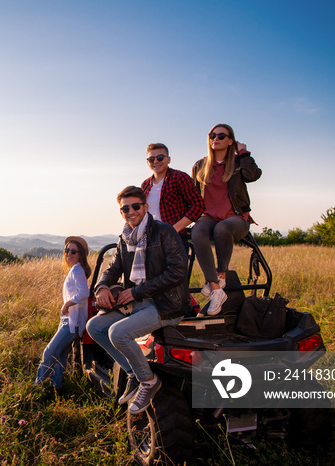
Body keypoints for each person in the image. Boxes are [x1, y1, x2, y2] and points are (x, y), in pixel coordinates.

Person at [86, 186, 189, 415]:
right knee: (94, 326)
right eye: (125, 208)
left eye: (135, 206)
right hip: (138, 303)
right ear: (120, 212)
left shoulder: (163, 232)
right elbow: (114, 268)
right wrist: (102, 286)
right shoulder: (125, 238)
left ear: (145, 206)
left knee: (117, 333)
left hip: (165, 305)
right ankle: (132, 371)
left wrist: (136, 292)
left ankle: (149, 381)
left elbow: (177, 272)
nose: (131, 211)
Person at [191, 123, 262, 316]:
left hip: (236, 217)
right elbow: (193, 196)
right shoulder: (200, 165)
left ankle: (221, 273)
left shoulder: (239, 163)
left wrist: (244, 153)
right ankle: (215, 286)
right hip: (208, 216)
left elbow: (253, 175)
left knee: (222, 229)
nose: (215, 138)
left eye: (221, 136)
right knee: (197, 231)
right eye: (212, 135)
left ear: (231, 141)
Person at [35, 236, 91, 391]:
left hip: (72, 323)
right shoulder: (74, 269)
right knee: (60, 356)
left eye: (73, 251)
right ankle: (56, 388)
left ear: (80, 254)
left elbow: (84, 293)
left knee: (50, 351)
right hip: (68, 320)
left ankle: (36, 386)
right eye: (67, 250)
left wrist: (67, 303)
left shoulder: (77, 270)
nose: (69, 253)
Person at [141, 143, 205, 241]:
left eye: (160, 157)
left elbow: (198, 205)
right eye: (151, 159)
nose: (156, 161)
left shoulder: (179, 177)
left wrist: (173, 230)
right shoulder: (145, 185)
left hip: (174, 239)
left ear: (168, 159)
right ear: (147, 162)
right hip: (151, 238)